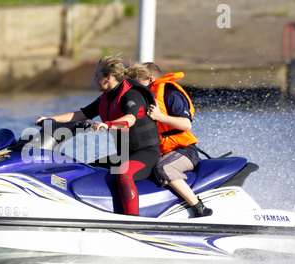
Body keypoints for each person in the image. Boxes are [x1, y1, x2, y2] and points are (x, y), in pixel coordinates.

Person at [36, 55, 161, 216]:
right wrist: (51, 119)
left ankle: (132, 221)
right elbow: (80, 114)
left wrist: (106, 124)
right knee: (89, 169)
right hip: (124, 154)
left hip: (146, 152)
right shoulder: (106, 97)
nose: (94, 79)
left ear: (108, 78)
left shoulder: (131, 94)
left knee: (123, 173)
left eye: (96, 75)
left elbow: (130, 119)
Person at [126, 62, 213, 218]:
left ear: (150, 79)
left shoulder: (170, 94)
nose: (132, 86)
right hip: (160, 151)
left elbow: (186, 125)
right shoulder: (145, 99)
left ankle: (199, 208)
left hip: (185, 151)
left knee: (163, 168)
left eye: (136, 81)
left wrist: (160, 117)